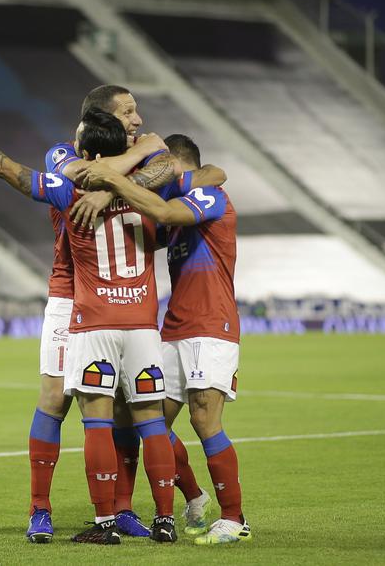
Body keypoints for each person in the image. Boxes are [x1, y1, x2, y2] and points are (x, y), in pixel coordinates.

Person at [0, 103, 223, 544]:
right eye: (127, 112)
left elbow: (7, 170)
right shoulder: (67, 158)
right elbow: (198, 172)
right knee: (70, 403)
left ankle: (115, 513)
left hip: (97, 313)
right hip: (96, 305)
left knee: (111, 415)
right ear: (104, 123)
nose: (137, 120)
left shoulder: (98, 174)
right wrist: (120, 177)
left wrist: (108, 184)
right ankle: (50, 510)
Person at [74, 133, 250, 545]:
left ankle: (234, 517)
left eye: (161, 166)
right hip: (172, 327)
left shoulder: (209, 195)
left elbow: (172, 199)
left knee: (205, 417)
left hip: (212, 325)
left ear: (176, 165)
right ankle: (189, 496)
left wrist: (113, 184)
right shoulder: (173, 209)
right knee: (149, 422)